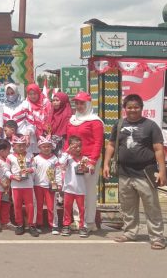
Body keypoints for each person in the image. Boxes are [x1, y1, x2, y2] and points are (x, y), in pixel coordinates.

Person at [103, 94, 167, 250]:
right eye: (129, 107)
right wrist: (105, 164)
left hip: (145, 173)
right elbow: (111, 145)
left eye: (136, 107)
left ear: (141, 108)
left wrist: (162, 171)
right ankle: (130, 232)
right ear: (125, 109)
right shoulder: (118, 125)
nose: (133, 110)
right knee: (127, 207)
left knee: (151, 206)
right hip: (124, 173)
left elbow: (158, 149)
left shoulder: (151, 126)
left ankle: (157, 237)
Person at [66, 91, 104, 232]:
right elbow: (68, 141)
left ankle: (89, 222)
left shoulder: (95, 121)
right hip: (74, 160)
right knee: (76, 190)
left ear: (88, 104)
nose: (79, 106)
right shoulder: (72, 120)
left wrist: (92, 161)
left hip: (88, 159)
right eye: (77, 103)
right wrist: (65, 158)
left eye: (82, 103)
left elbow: (98, 142)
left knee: (88, 191)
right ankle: (77, 220)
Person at [59, 135, 91, 237]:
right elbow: (60, 163)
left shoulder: (85, 158)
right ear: (70, 147)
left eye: (79, 146)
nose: (77, 149)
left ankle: (82, 226)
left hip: (80, 189)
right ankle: (66, 225)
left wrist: (85, 169)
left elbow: (89, 172)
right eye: (74, 147)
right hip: (69, 188)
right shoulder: (68, 158)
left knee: (81, 209)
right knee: (67, 208)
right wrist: (67, 151)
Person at [8, 135, 38, 237]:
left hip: (28, 185)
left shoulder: (30, 155)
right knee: (17, 206)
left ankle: (32, 225)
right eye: (18, 145)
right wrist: (12, 176)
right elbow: (6, 171)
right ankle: (20, 224)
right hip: (16, 185)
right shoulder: (10, 157)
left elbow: (34, 167)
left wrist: (29, 170)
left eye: (23, 145)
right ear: (13, 146)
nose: (21, 148)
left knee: (30, 206)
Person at [12, 84, 51, 155]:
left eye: (35, 93)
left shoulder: (46, 102)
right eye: (30, 94)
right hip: (32, 135)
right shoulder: (25, 104)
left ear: (39, 93)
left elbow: (50, 117)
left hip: (45, 134)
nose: (33, 96)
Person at [32, 136, 61, 234]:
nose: (46, 148)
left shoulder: (54, 159)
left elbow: (58, 172)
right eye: (44, 146)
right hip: (38, 185)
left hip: (50, 186)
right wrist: (31, 183)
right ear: (39, 147)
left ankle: (54, 225)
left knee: (51, 206)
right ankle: (38, 223)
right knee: (38, 206)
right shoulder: (35, 159)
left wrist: (58, 183)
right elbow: (32, 172)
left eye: (48, 146)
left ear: (51, 147)